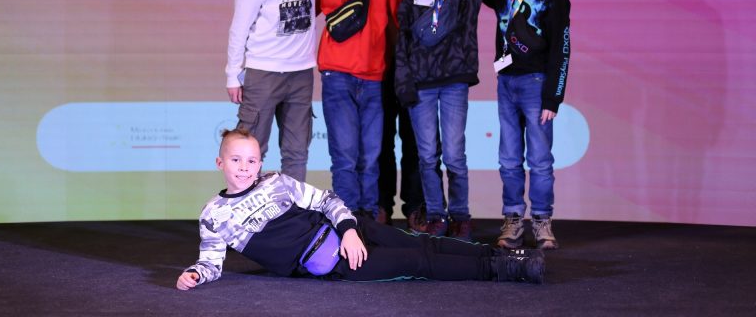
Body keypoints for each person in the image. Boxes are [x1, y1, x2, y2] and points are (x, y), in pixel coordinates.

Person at [176, 128, 545, 289]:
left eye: (252, 160)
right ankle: (504, 269)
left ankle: (500, 256)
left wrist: (350, 230)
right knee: (417, 263)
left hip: (350, 230)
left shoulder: (276, 181)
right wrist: (194, 274)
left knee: (422, 243)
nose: (245, 168)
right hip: (333, 260)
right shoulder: (214, 216)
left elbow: (327, 200)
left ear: (260, 162)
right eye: (236, 160)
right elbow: (211, 262)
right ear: (219, 163)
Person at [226, 0, 403, 182]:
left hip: (301, 73)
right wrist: (233, 74)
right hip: (263, 70)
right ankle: (247, 204)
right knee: (251, 149)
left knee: (296, 152)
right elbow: (239, 27)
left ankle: (292, 206)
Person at [395, 0, 500, 241]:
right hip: (422, 80)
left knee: (455, 155)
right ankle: (436, 215)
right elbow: (403, 31)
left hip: (455, 78)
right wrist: (404, 78)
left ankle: (461, 217)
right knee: (427, 155)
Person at [482, 0, 571, 250]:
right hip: (506, 82)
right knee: (508, 158)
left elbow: (562, 49)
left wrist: (553, 98)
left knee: (539, 158)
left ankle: (542, 220)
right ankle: (513, 218)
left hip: (537, 85)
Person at [316, 0, 404, 220]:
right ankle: (347, 219)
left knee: (371, 155)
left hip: (373, 75)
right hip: (336, 73)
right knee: (344, 156)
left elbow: (399, 16)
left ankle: (368, 217)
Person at [372, 0, 436, 231]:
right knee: (379, 139)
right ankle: (380, 205)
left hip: (417, 60)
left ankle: (416, 208)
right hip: (377, 58)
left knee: (416, 140)